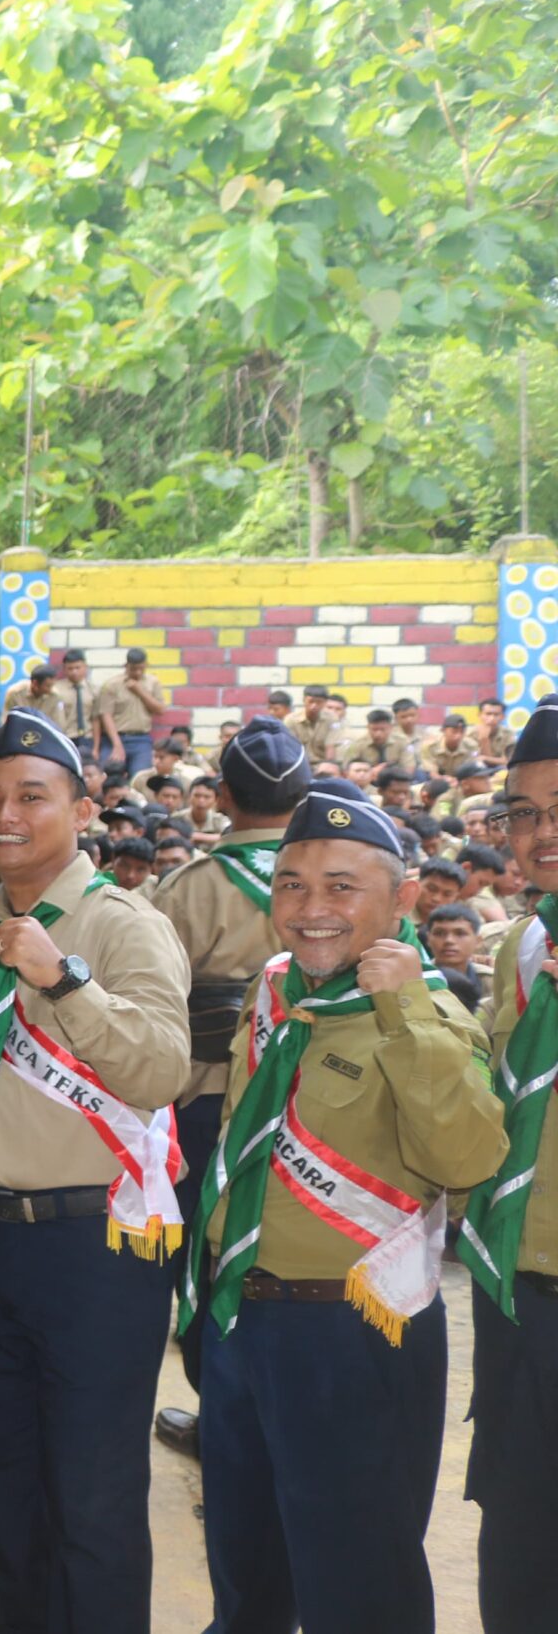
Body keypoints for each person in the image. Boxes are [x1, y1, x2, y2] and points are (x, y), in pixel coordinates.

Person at [0, 711, 191, 1634]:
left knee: (94, 1501)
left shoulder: (122, 926)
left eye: (31, 795)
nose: (3, 815)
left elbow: (158, 1071)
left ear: (83, 807)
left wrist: (65, 980)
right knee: (7, 1490)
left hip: (95, 1252)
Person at [184, 793, 503, 1634]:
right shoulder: (276, 989)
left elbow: (465, 1162)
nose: (311, 910)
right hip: (239, 1316)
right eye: (291, 886)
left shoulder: (431, 1015)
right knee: (246, 1574)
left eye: (340, 888)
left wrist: (402, 1011)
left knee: (360, 1588)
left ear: (400, 903)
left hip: (351, 1335)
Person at [144, 716, 307, 1459]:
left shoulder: (187, 888)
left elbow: (150, 1006)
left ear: (225, 797)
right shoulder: (333, 877)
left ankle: (224, 1419)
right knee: (298, 1253)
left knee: (214, 1258)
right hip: (318, 1103)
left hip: (209, 1101)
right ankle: (285, 1417)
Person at [456, 699, 558, 1631]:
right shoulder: (522, 947)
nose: (541, 834)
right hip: (517, 1291)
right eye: (523, 813)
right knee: (522, 1537)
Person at [95, 648, 167, 780]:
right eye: (133, 669)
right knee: (106, 776)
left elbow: (160, 709)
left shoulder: (153, 682)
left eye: (141, 668)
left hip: (141, 740)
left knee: (141, 778)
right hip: (114, 739)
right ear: (126, 666)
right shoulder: (112, 685)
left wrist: (140, 691)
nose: (137, 672)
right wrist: (117, 745)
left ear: (146, 665)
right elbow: (106, 715)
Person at [51, 648, 100, 766]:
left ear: (85, 667)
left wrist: (96, 748)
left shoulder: (94, 690)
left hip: (87, 739)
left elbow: (95, 719)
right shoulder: (56, 690)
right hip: (67, 738)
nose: (74, 672)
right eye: (70, 668)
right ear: (64, 669)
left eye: (78, 668)